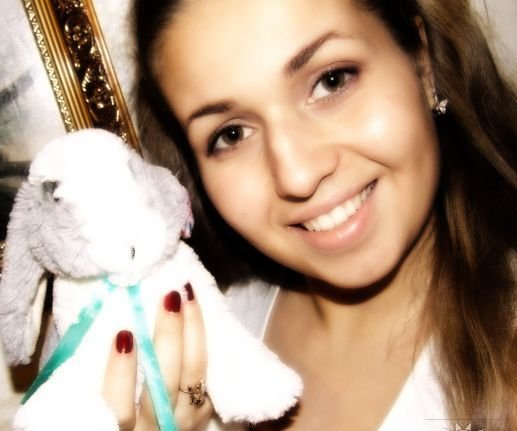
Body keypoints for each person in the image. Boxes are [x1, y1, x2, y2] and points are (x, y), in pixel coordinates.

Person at [102, 0, 517, 429]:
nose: (297, 176)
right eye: (232, 134)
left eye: (331, 81)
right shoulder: (205, 340)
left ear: (423, 62)